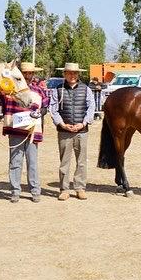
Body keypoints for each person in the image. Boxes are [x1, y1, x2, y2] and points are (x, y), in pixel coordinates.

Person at [0, 62, 48, 203]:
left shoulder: (39, 90)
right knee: (15, 162)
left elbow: (45, 106)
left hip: (32, 131)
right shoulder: (10, 89)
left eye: (30, 73)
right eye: (25, 73)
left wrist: (40, 113)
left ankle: (35, 190)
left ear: (33, 74)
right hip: (16, 130)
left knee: (32, 162)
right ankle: (15, 191)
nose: (28, 75)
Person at [50, 62, 95, 200]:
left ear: (78, 74)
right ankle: (64, 189)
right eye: (69, 73)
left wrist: (83, 123)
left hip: (82, 131)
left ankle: (80, 188)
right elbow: (53, 109)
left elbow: (91, 107)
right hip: (64, 131)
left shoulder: (86, 89)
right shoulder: (57, 89)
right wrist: (62, 124)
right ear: (64, 74)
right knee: (64, 162)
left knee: (81, 161)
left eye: (75, 73)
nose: (72, 75)